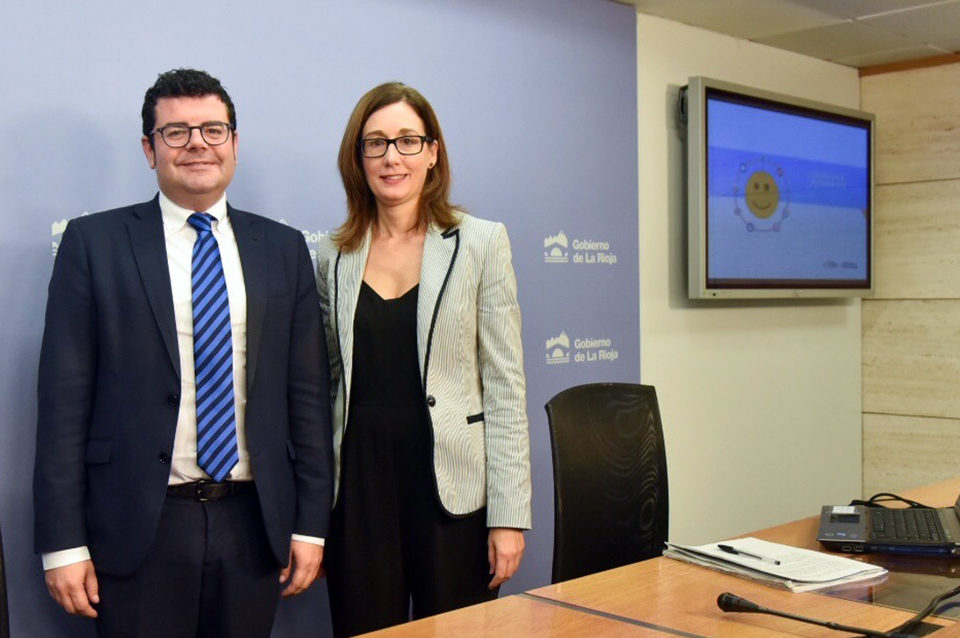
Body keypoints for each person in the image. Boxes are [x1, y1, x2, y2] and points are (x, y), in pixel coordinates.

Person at [33, 68, 333, 638]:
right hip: (137, 525)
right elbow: (63, 403)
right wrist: (62, 544)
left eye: (213, 130)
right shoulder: (93, 244)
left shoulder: (283, 248)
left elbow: (308, 397)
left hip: (255, 523)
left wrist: (310, 526)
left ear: (235, 144)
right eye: (176, 132)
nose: (197, 144)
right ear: (150, 149)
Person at [316, 82, 532, 637]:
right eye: (376, 143)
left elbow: (505, 386)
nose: (392, 157)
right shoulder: (331, 255)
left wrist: (509, 517)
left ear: (432, 152)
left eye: (408, 140)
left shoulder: (480, 242)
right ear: (358, 157)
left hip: (453, 494)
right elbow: (326, 384)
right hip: (358, 496)